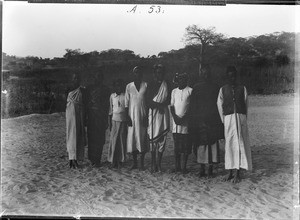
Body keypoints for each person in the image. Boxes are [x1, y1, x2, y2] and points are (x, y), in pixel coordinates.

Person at [217, 66, 252, 183]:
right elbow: (219, 105)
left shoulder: (242, 88)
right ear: (227, 76)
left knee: (240, 145)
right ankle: (230, 172)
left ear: (236, 76)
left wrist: (242, 118)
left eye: (234, 75)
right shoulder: (223, 89)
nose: (232, 78)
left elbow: (246, 104)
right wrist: (225, 120)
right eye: (230, 75)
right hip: (228, 120)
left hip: (240, 119)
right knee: (230, 146)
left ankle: (238, 172)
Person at [189, 65, 224, 177]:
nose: (206, 75)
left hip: (213, 119)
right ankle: (202, 168)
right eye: (204, 73)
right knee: (201, 145)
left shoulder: (215, 87)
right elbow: (193, 105)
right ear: (201, 74)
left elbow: (219, 104)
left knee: (212, 144)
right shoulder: (196, 87)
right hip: (200, 120)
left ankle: (210, 169)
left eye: (207, 73)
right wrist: (194, 120)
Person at [146, 64, 170, 173]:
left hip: (163, 114)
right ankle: (152, 164)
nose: (160, 74)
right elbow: (147, 101)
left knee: (162, 139)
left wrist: (162, 105)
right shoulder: (150, 85)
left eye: (162, 72)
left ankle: (159, 164)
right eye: (158, 72)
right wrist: (158, 105)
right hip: (154, 114)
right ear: (155, 73)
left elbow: (169, 99)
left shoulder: (167, 84)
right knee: (152, 139)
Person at [125, 66, 148, 171]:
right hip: (132, 117)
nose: (137, 74)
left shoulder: (146, 85)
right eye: (135, 73)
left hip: (143, 116)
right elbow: (126, 103)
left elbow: (148, 102)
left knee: (142, 138)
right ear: (133, 74)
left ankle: (142, 163)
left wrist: (147, 116)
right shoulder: (129, 86)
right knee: (133, 138)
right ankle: (135, 163)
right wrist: (127, 117)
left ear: (142, 74)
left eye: (139, 73)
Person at [86, 71, 111, 167]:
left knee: (100, 139)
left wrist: (106, 120)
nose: (98, 79)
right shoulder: (89, 88)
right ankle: (92, 159)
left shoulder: (106, 89)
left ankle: (98, 159)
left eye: (100, 77)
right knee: (92, 138)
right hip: (91, 116)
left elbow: (107, 105)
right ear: (94, 78)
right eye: (97, 77)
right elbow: (86, 103)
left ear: (102, 79)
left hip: (101, 116)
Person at [170, 73, 193, 174]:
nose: (181, 81)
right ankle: (177, 166)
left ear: (186, 80)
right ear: (177, 80)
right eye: (179, 79)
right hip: (175, 123)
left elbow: (191, 106)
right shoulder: (174, 91)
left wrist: (184, 118)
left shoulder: (190, 90)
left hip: (186, 123)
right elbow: (171, 106)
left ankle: (184, 167)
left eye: (183, 79)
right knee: (177, 147)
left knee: (185, 147)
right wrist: (175, 118)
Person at [66, 73, 87, 169]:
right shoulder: (68, 89)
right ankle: (71, 159)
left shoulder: (82, 90)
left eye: (77, 78)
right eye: (74, 78)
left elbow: (84, 103)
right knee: (71, 135)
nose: (76, 79)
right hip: (70, 114)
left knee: (78, 135)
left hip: (79, 114)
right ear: (72, 79)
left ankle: (76, 159)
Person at [107, 79, 127, 169]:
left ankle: (121, 160)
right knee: (114, 140)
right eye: (116, 85)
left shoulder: (125, 96)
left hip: (123, 120)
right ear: (114, 87)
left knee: (122, 140)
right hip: (114, 120)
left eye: (120, 85)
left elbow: (127, 108)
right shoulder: (112, 96)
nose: (118, 87)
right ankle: (113, 160)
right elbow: (110, 111)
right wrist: (109, 123)